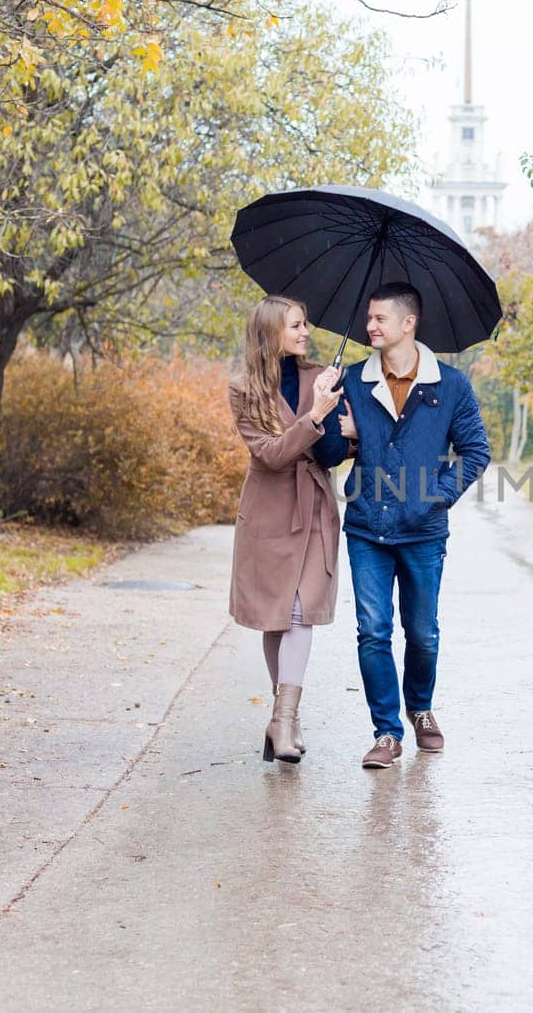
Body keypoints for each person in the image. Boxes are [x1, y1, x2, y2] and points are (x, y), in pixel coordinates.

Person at [336, 282, 491, 769]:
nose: (370, 327)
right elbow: (331, 452)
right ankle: (386, 732)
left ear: (408, 323)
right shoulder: (353, 383)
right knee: (372, 631)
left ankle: (420, 709)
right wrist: (335, 425)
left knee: (422, 633)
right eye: (369, 318)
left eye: (380, 319)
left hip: (423, 532)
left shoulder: (451, 385)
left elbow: (476, 452)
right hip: (367, 528)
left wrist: (438, 497)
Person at [227, 295, 349, 764]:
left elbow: (334, 449)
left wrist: (343, 427)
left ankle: (281, 720)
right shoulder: (244, 389)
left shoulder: (324, 376)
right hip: (269, 512)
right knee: (275, 617)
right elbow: (271, 454)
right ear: (272, 331)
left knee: (299, 612)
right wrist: (315, 415)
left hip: (313, 507)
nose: (305, 332)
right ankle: (288, 720)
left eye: (306, 324)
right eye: (296, 325)